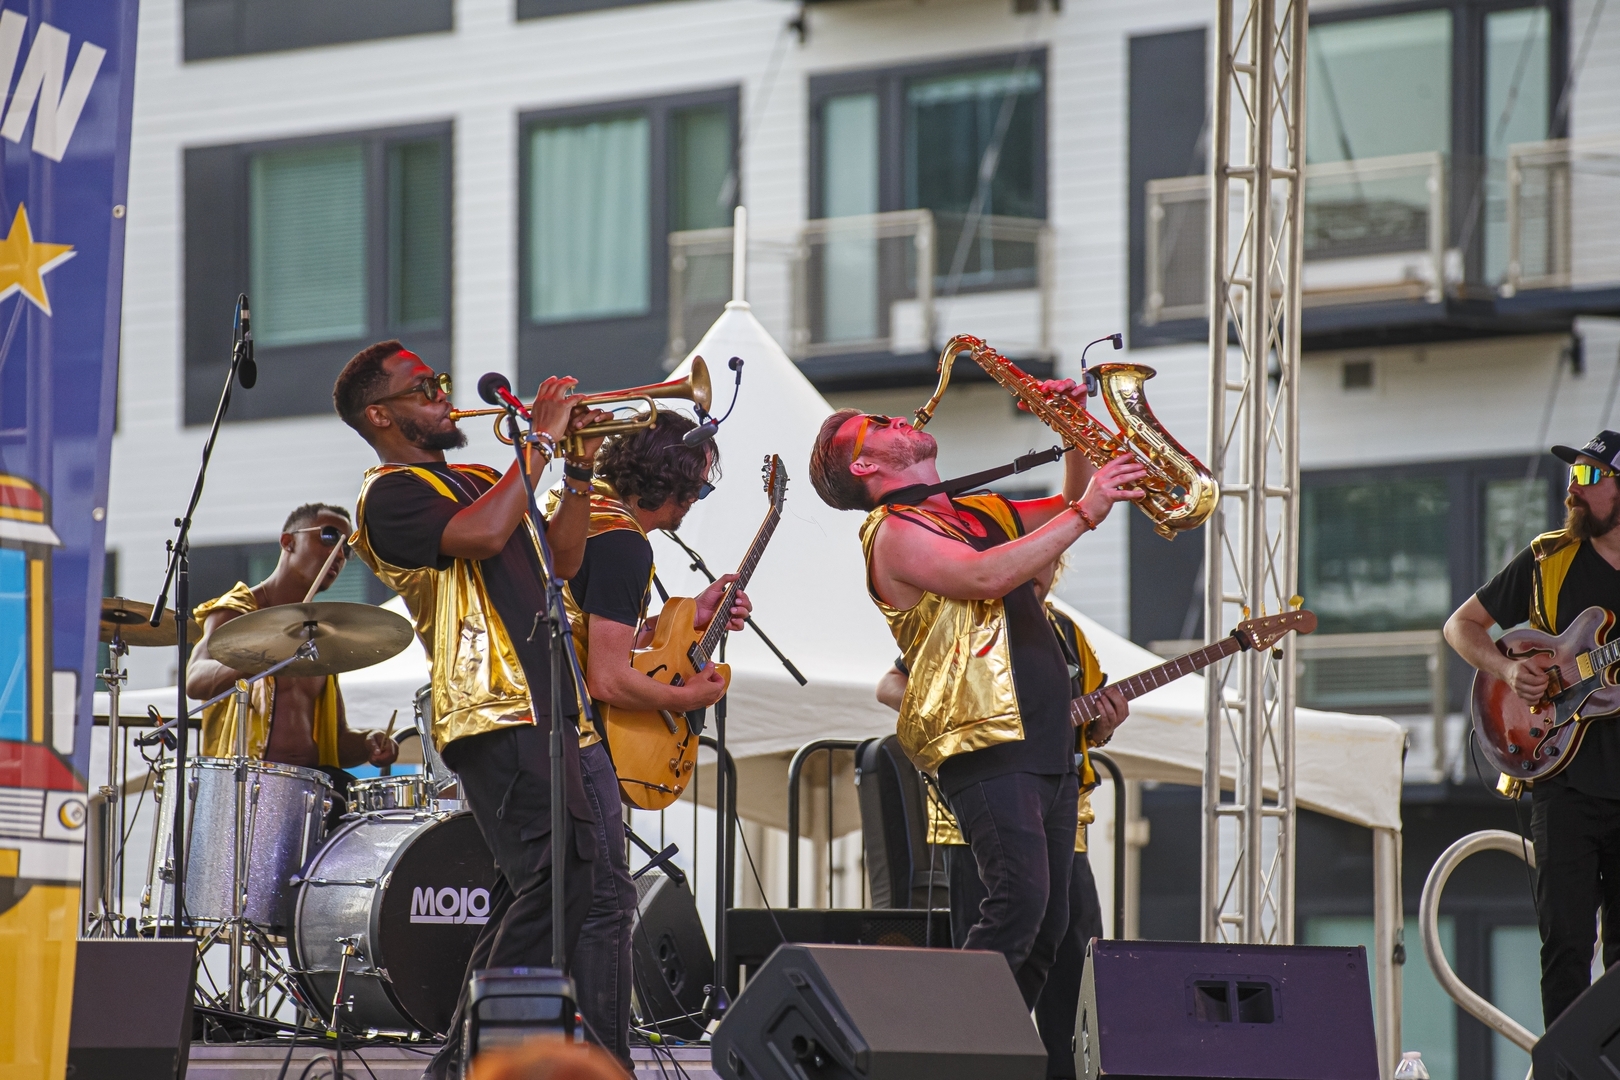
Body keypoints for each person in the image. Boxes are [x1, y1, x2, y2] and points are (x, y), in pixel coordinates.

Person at [807, 389, 1139, 1015]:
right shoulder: (893, 532)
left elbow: (1066, 510)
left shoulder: (974, 509)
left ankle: (993, 1051)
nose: (894, 416)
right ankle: (941, 1046)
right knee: (1016, 904)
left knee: (1046, 925)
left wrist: (1069, 428)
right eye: (874, 425)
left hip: (1045, 736)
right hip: (985, 738)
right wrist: (1089, 509)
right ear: (863, 466)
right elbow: (987, 575)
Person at [334, 340, 609, 1080]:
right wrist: (544, 440)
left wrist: (577, 466)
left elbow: (565, 557)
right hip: (494, 706)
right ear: (382, 414)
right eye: (424, 388)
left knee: (546, 885)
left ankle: (463, 1062)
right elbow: (483, 536)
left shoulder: (485, 476)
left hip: (548, 701)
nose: (443, 394)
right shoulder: (387, 495)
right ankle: (469, 1062)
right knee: (560, 878)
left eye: (441, 383)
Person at [543, 409, 751, 1070]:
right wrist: (687, 698)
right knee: (608, 902)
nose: (693, 506)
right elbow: (608, 678)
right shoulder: (625, 543)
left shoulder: (575, 513)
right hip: (567, 735)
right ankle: (608, 1063)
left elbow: (596, 636)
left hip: (523, 730)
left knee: (539, 904)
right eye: (698, 492)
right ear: (677, 487)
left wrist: (685, 615)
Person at [876, 557, 1107, 1079]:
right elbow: (890, 685)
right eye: (1030, 563)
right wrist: (949, 715)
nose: (1039, 575)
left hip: (1057, 795)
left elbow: (1088, 723)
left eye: (1048, 567)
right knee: (1012, 912)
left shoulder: (1065, 632)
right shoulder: (969, 615)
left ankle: (997, 1053)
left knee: (1054, 937)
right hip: (984, 801)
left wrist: (1104, 722)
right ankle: (953, 1053)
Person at [1444, 428, 1620, 1027]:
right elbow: (1460, 627)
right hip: (1560, 779)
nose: (1574, 487)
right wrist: (1507, 668)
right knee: (1566, 944)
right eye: (1573, 474)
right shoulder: (1549, 557)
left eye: (1591, 477)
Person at [187, 502, 399, 817]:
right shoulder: (238, 611)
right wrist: (260, 655)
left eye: (347, 548)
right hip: (249, 791)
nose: (339, 554)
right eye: (329, 537)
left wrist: (369, 743)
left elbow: (337, 741)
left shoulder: (321, 634)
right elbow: (194, 680)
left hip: (313, 790)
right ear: (289, 542)